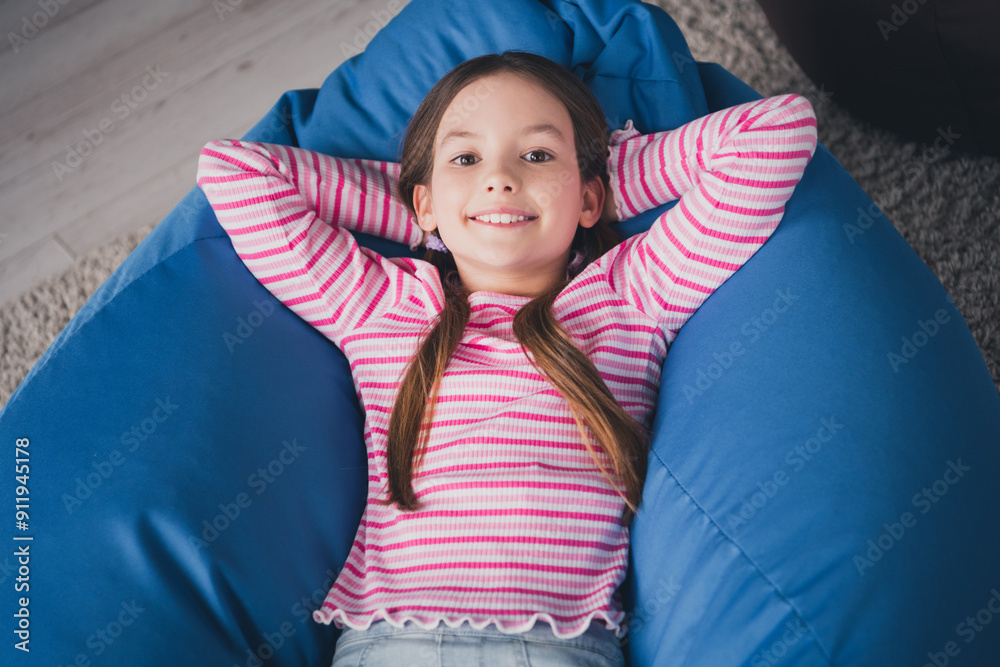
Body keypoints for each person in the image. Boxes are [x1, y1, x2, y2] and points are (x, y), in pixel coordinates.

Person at [197, 50, 817, 667]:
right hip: (394, 641)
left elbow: (777, 130)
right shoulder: (382, 305)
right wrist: (434, 210)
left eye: (538, 155)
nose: (500, 178)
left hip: (558, 648)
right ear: (422, 204)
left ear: (591, 198)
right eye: (466, 158)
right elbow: (232, 171)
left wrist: (593, 183)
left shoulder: (633, 294)